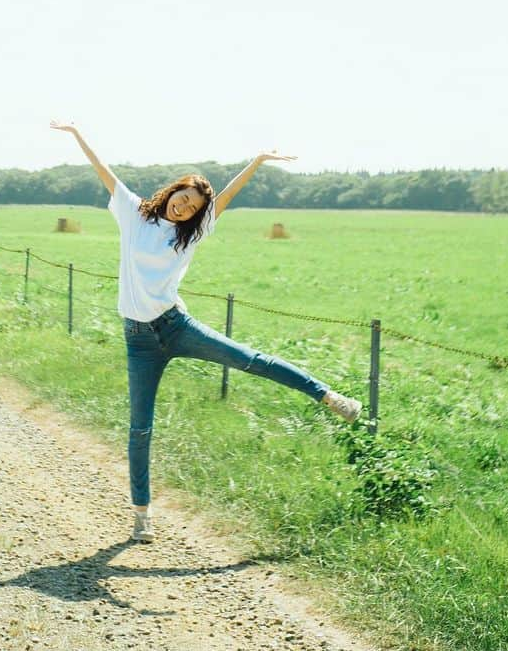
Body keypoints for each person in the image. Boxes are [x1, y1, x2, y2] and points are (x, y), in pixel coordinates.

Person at [49, 120, 362, 544]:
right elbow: (104, 170)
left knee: (252, 360)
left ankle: (328, 396)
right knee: (140, 427)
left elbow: (228, 196)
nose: (184, 208)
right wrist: (75, 134)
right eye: (183, 198)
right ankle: (141, 514)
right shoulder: (133, 213)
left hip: (177, 327)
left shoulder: (188, 236)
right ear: (173, 191)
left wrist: (257, 161)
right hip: (139, 341)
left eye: (193, 207)